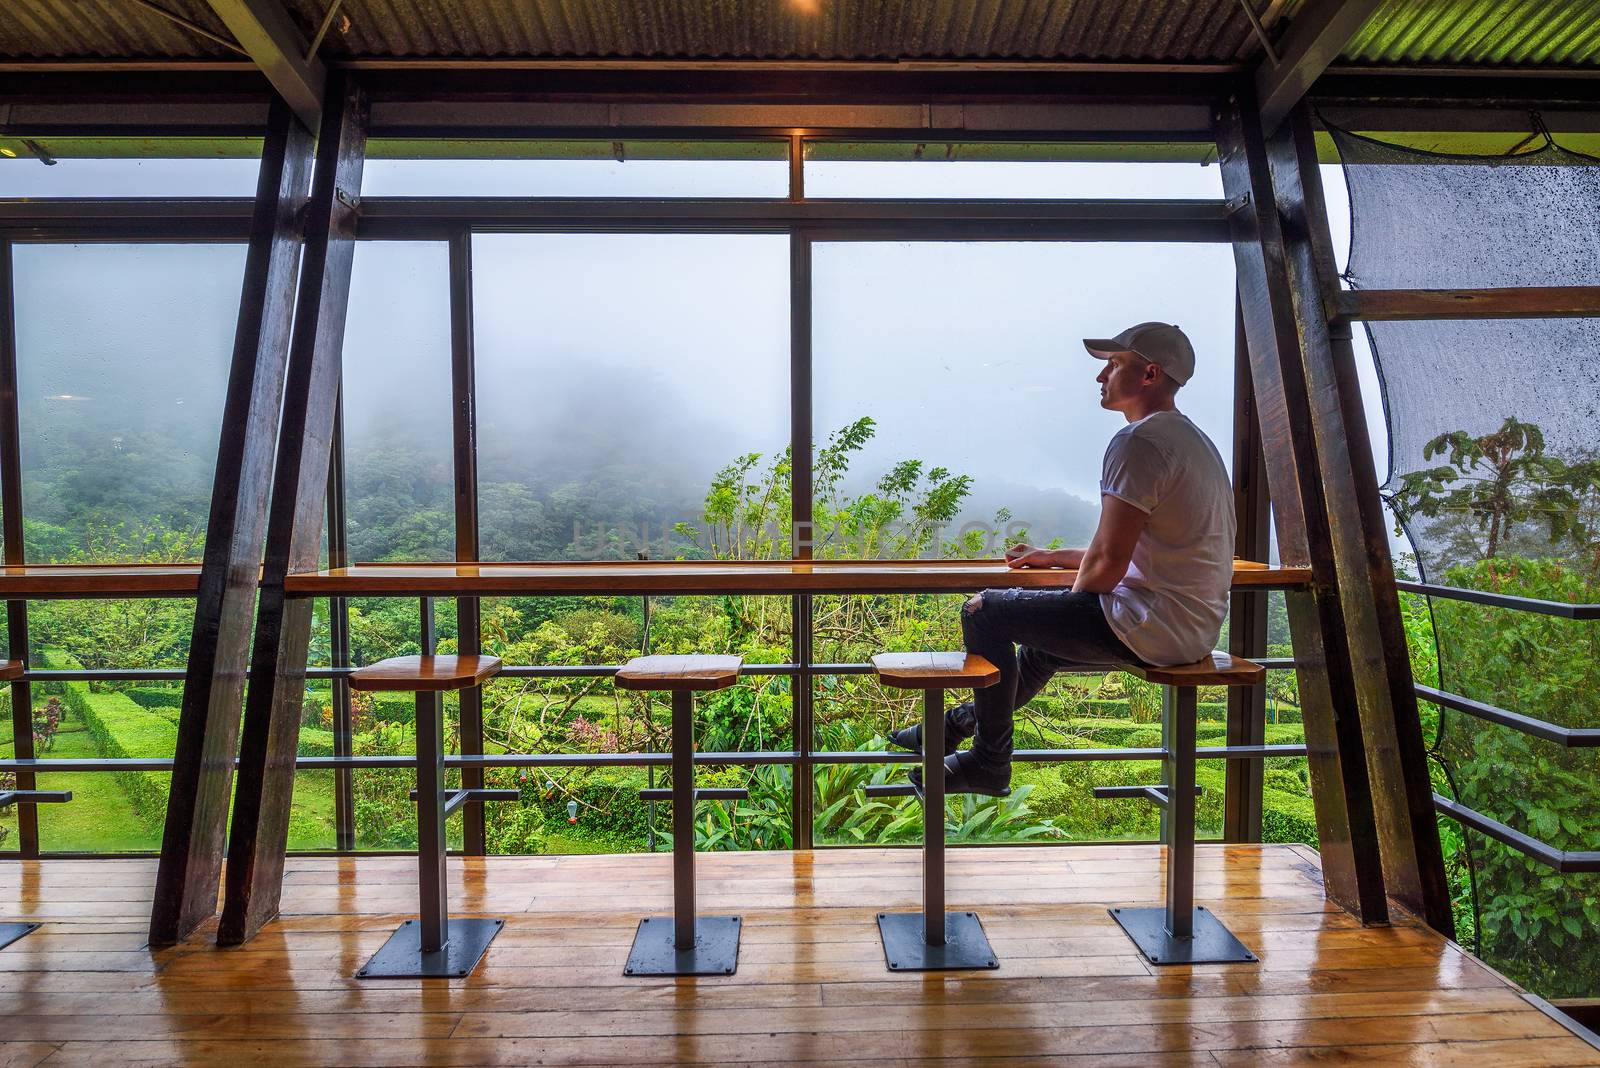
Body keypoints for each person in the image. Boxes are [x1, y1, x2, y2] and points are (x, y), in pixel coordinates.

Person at [892, 321, 1237, 796]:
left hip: (1152, 626)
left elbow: (1106, 567)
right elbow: (1133, 548)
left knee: (985, 611)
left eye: (1114, 365)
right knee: (1040, 649)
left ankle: (989, 762)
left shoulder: (1138, 443)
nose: (1101, 377)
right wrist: (1050, 558)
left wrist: (1062, 602)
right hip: (1192, 625)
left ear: (1150, 374)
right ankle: (953, 727)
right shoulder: (1193, 442)